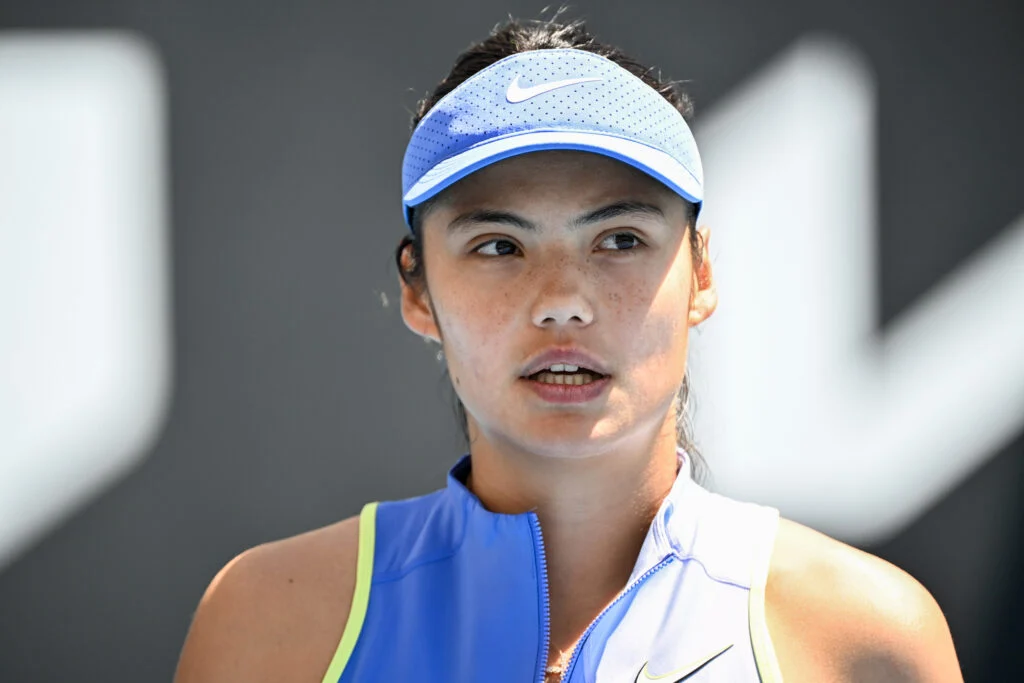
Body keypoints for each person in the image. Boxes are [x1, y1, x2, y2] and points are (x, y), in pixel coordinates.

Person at [174, 16, 963, 683]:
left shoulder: (863, 638)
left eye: (619, 238)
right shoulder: (268, 623)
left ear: (701, 273)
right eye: (497, 246)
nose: (562, 299)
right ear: (419, 291)